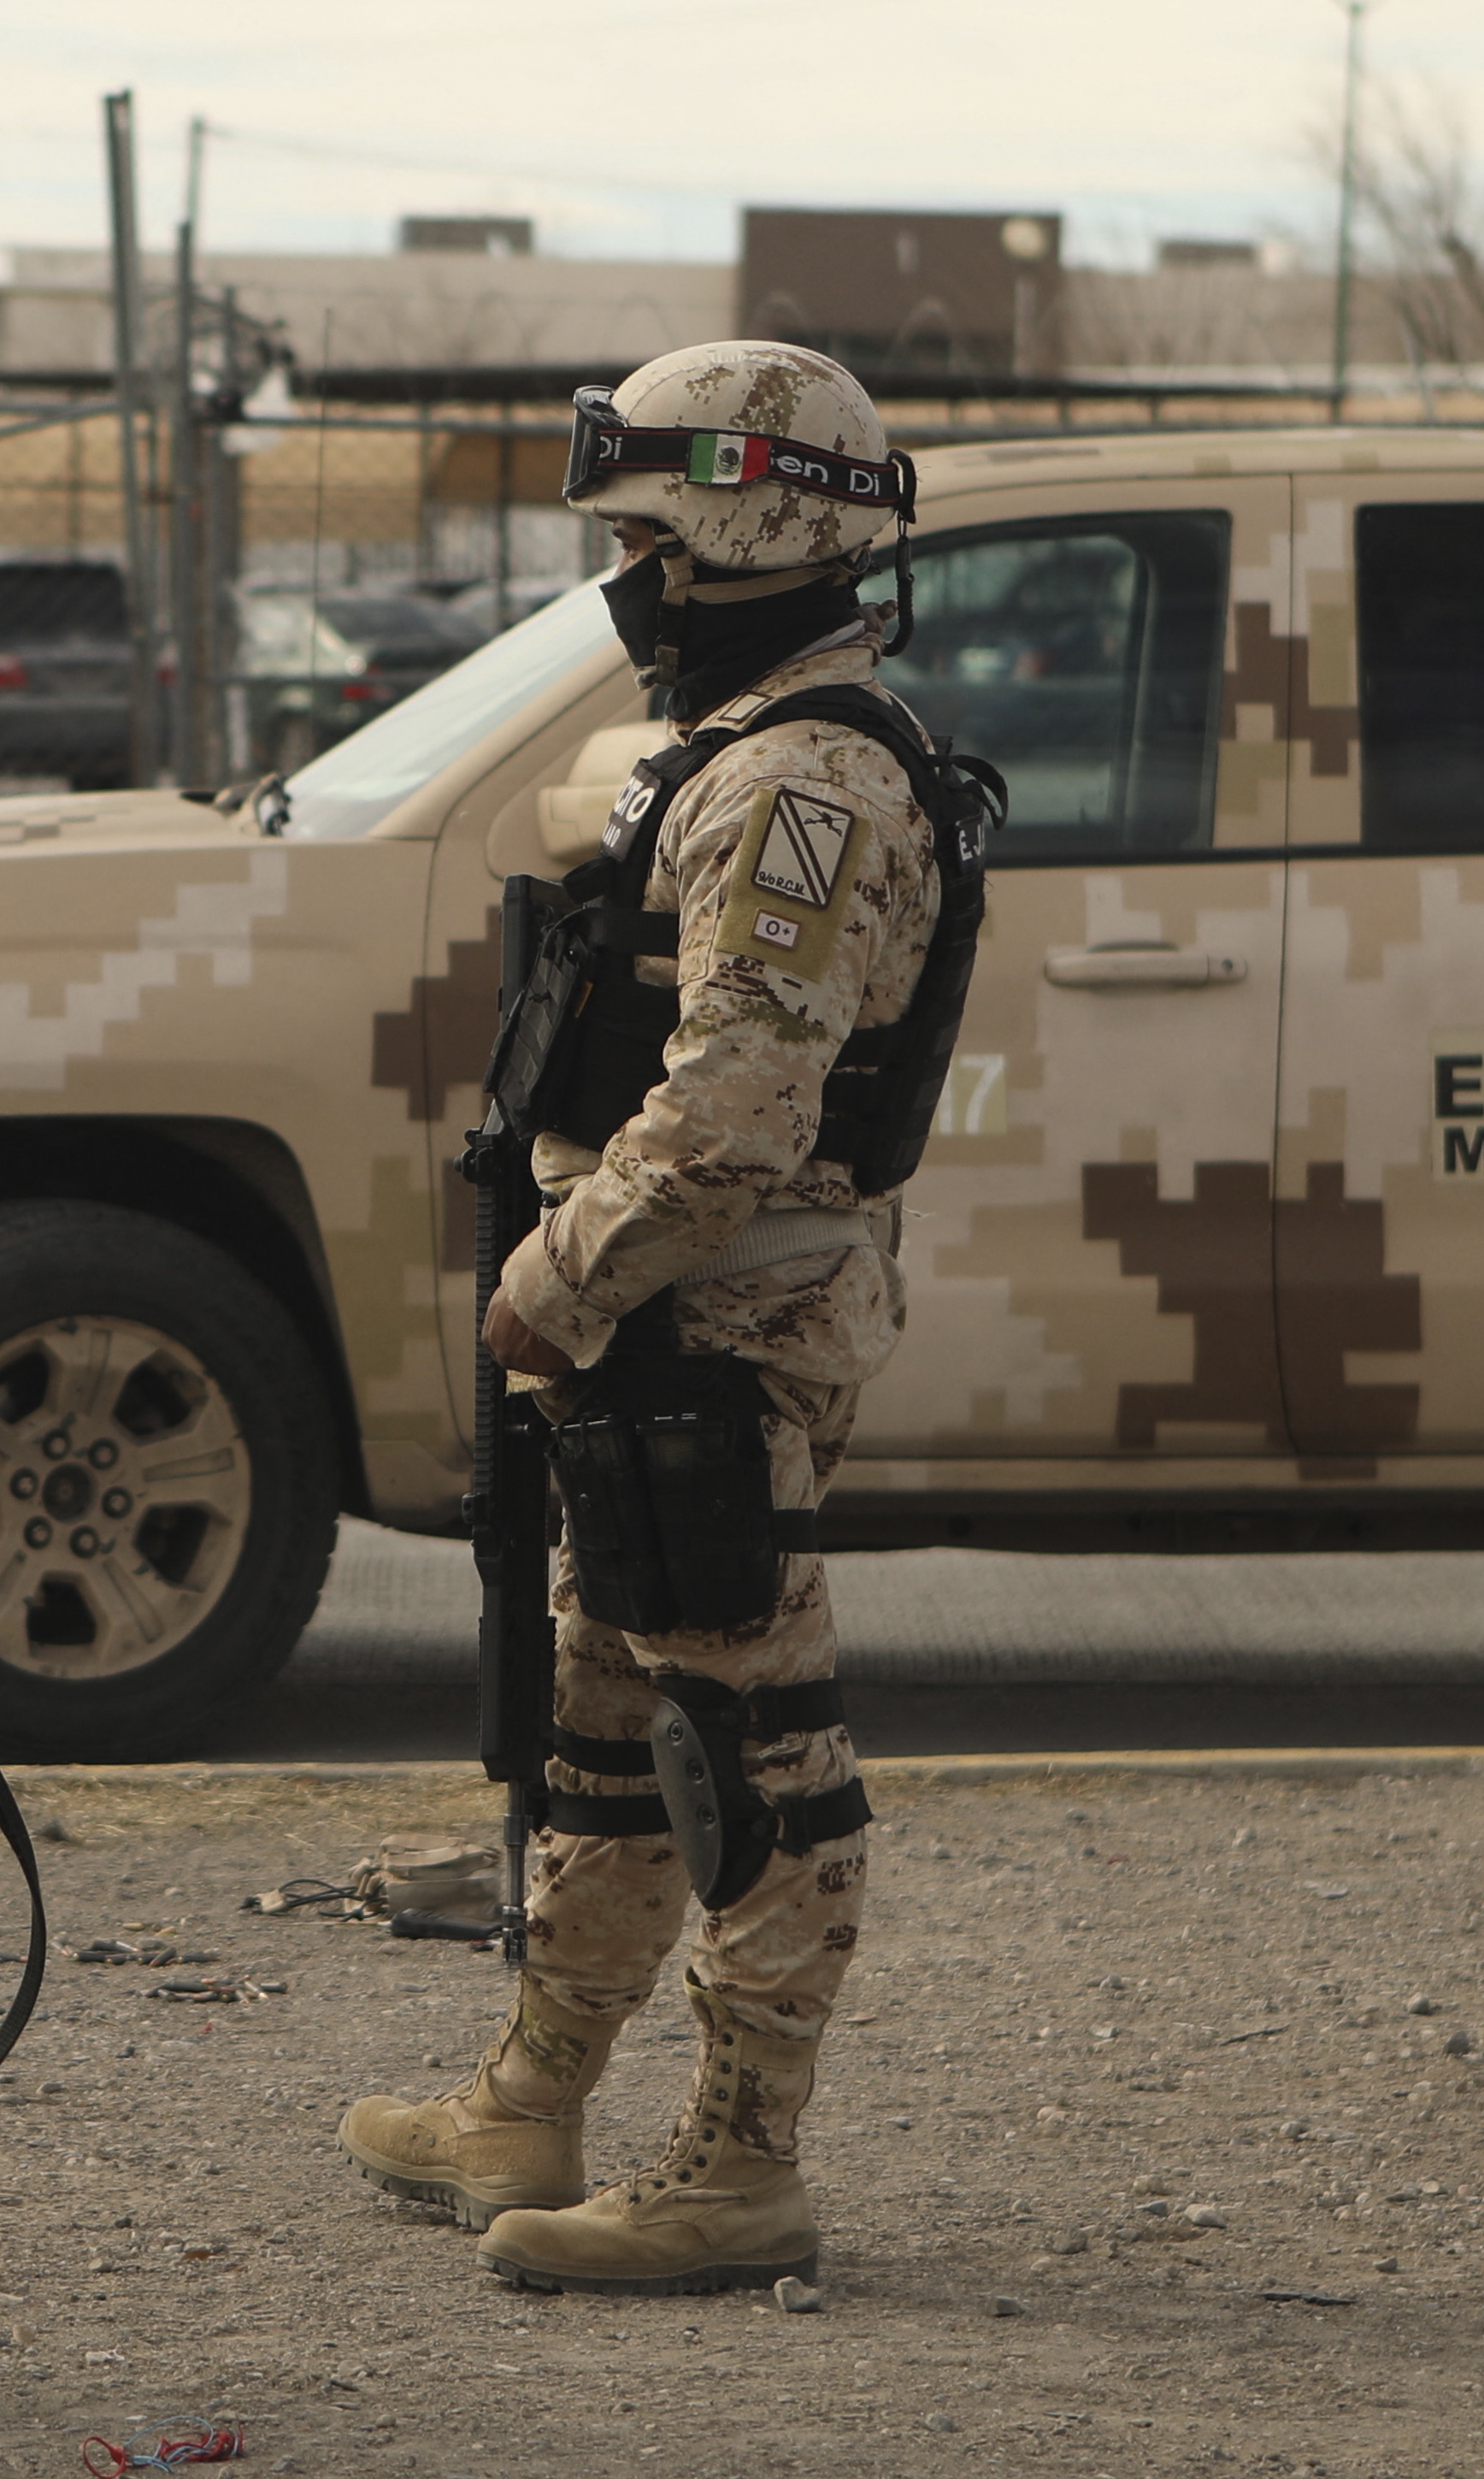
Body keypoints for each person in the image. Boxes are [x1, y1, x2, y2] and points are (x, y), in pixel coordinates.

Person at [339, 339, 983, 2298]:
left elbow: (734, 1111)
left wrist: (556, 1280)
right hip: (655, 1325)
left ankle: (740, 2160)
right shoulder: (744, 755)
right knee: (605, 1731)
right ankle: (531, 2094)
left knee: (744, 1736)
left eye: (642, 536)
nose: (623, 579)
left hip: (713, 1320)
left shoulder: (802, 783)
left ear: (742, 522)